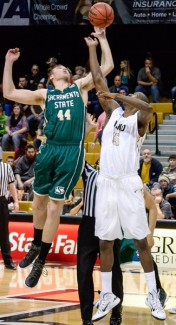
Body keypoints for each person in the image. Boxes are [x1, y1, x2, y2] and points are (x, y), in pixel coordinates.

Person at [3, 29, 114, 288]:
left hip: (71, 151)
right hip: (49, 149)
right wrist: (8, 62)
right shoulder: (44, 94)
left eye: (66, 67)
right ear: (52, 76)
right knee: (39, 201)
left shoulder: (79, 86)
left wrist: (103, 39)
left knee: (55, 205)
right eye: (61, 68)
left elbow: (106, 66)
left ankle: (41, 259)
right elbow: (8, 92)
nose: (65, 69)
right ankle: (34, 243)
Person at [88, 37, 166, 321]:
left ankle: (153, 295)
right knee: (105, 243)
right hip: (107, 182)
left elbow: (147, 108)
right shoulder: (113, 113)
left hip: (129, 183)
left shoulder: (140, 120)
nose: (134, 100)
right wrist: (92, 48)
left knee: (141, 241)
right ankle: (107, 295)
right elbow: (98, 78)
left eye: (136, 98)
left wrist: (118, 96)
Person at [0, 161, 19, 269]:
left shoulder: (6, 167)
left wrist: (16, 201)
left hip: (1, 201)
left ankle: (8, 261)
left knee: (3, 232)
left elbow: (11, 185)